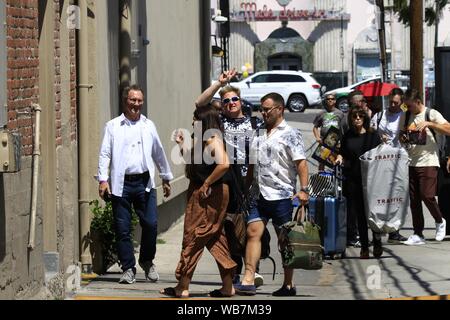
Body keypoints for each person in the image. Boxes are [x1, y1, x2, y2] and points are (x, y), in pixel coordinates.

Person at [234, 93, 309, 296]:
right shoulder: (257, 133)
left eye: (267, 109)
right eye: (262, 109)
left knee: (284, 240)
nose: (263, 112)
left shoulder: (291, 134)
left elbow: (301, 164)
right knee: (252, 233)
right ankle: (248, 279)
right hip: (258, 195)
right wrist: (246, 189)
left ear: (280, 109)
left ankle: (288, 284)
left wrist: (304, 190)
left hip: (282, 196)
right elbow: (251, 165)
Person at [195, 70, 265, 287]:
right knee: (230, 230)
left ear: (241, 101)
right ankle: (233, 273)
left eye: (235, 99)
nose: (231, 103)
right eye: (226, 101)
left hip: (251, 185)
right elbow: (199, 104)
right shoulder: (220, 122)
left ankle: (251, 273)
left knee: (252, 229)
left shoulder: (255, 124)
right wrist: (219, 83)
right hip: (227, 184)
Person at [98, 85, 173, 284]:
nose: (136, 104)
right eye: (133, 100)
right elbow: (105, 153)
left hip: (144, 183)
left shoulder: (148, 125)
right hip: (121, 184)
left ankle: (147, 261)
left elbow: (158, 152)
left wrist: (165, 176)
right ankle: (128, 268)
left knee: (150, 223)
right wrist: (103, 180)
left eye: (139, 100)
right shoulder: (113, 126)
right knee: (122, 229)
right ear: (125, 101)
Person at [160, 106, 236, 298]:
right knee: (214, 237)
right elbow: (196, 164)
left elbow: (224, 163)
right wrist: (182, 145)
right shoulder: (203, 139)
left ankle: (182, 286)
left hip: (209, 194)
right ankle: (227, 286)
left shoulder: (212, 139)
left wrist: (206, 184)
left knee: (193, 235)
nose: (193, 122)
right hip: (206, 192)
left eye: (195, 118)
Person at [400, 88, 450, 245]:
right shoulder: (406, 115)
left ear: (418, 102)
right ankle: (417, 234)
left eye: (410, 105)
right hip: (411, 160)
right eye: (405, 106)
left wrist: (429, 124)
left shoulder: (431, 113)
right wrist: (403, 136)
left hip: (429, 160)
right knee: (414, 200)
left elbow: (448, 129)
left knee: (427, 195)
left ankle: (440, 220)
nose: (407, 108)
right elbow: (401, 134)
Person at [335, 107, 383, 259]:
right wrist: (340, 158)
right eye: (354, 117)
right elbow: (342, 152)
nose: (357, 119)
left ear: (364, 119)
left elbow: (380, 154)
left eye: (360, 116)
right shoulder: (348, 136)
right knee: (360, 214)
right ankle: (364, 246)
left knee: (373, 212)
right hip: (353, 178)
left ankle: (377, 240)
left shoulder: (373, 136)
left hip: (372, 179)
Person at [370, 87, 408, 243]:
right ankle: (377, 230)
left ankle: (394, 231)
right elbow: (371, 131)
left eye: (396, 103)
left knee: (396, 197)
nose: (393, 105)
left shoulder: (404, 117)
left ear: (401, 102)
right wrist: (379, 136)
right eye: (391, 102)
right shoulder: (379, 116)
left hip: (398, 161)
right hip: (380, 161)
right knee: (378, 196)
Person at [313, 93, 345, 171]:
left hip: (336, 141)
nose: (330, 100)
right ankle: (321, 178)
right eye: (328, 99)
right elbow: (315, 127)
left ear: (335, 101)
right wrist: (317, 137)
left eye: (332, 99)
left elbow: (343, 128)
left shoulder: (340, 113)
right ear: (325, 101)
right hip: (324, 141)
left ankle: (336, 178)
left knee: (335, 161)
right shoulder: (321, 113)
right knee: (321, 161)